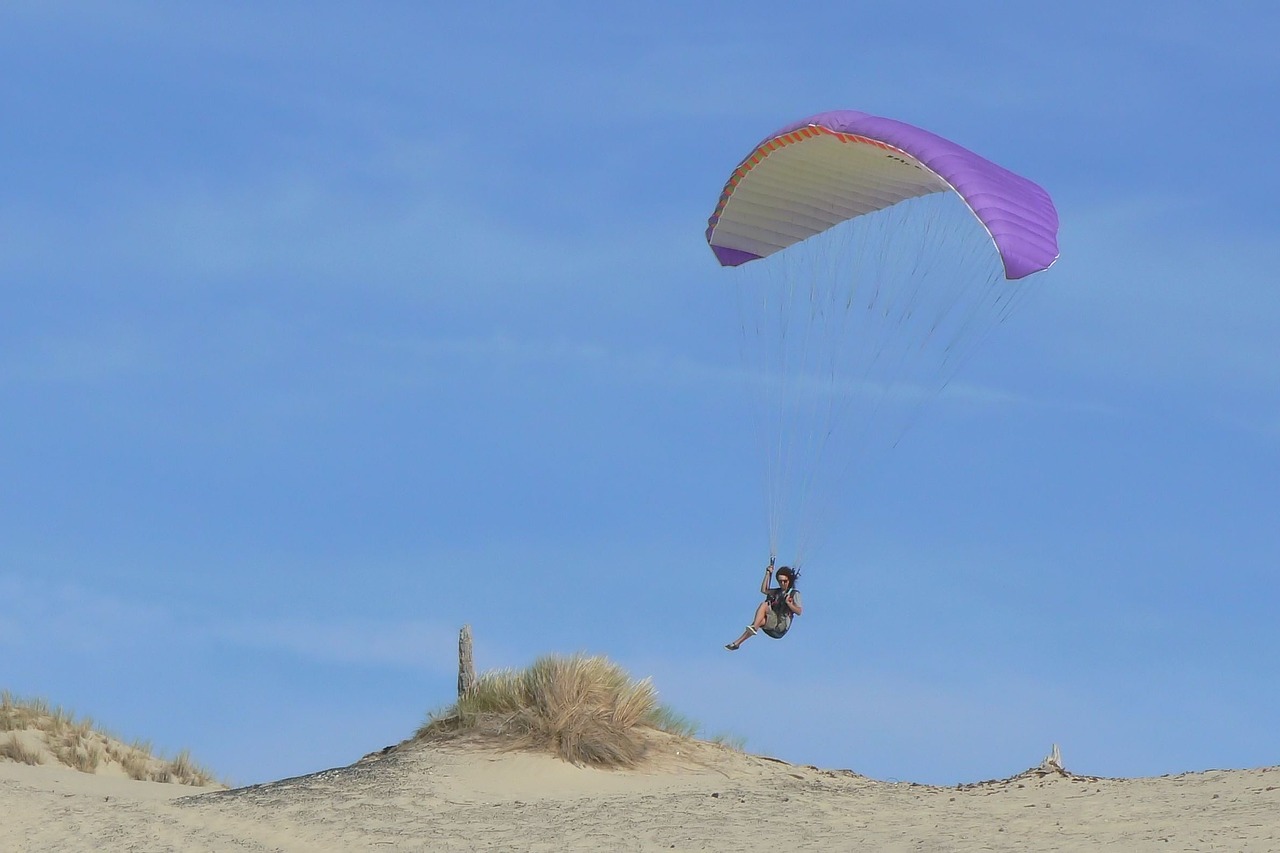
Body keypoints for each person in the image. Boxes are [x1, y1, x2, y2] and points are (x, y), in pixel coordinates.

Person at [725, 564, 803, 650]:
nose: (782, 583)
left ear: (789, 581)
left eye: (785, 581)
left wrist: (789, 604)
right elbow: (764, 590)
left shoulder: (794, 594)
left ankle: (754, 627)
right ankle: (737, 643)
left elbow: (799, 611)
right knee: (762, 613)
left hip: (781, 625)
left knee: (763, 609)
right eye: (780, 581)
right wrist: (768, 574)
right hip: (773, 621)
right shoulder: (777, 592)